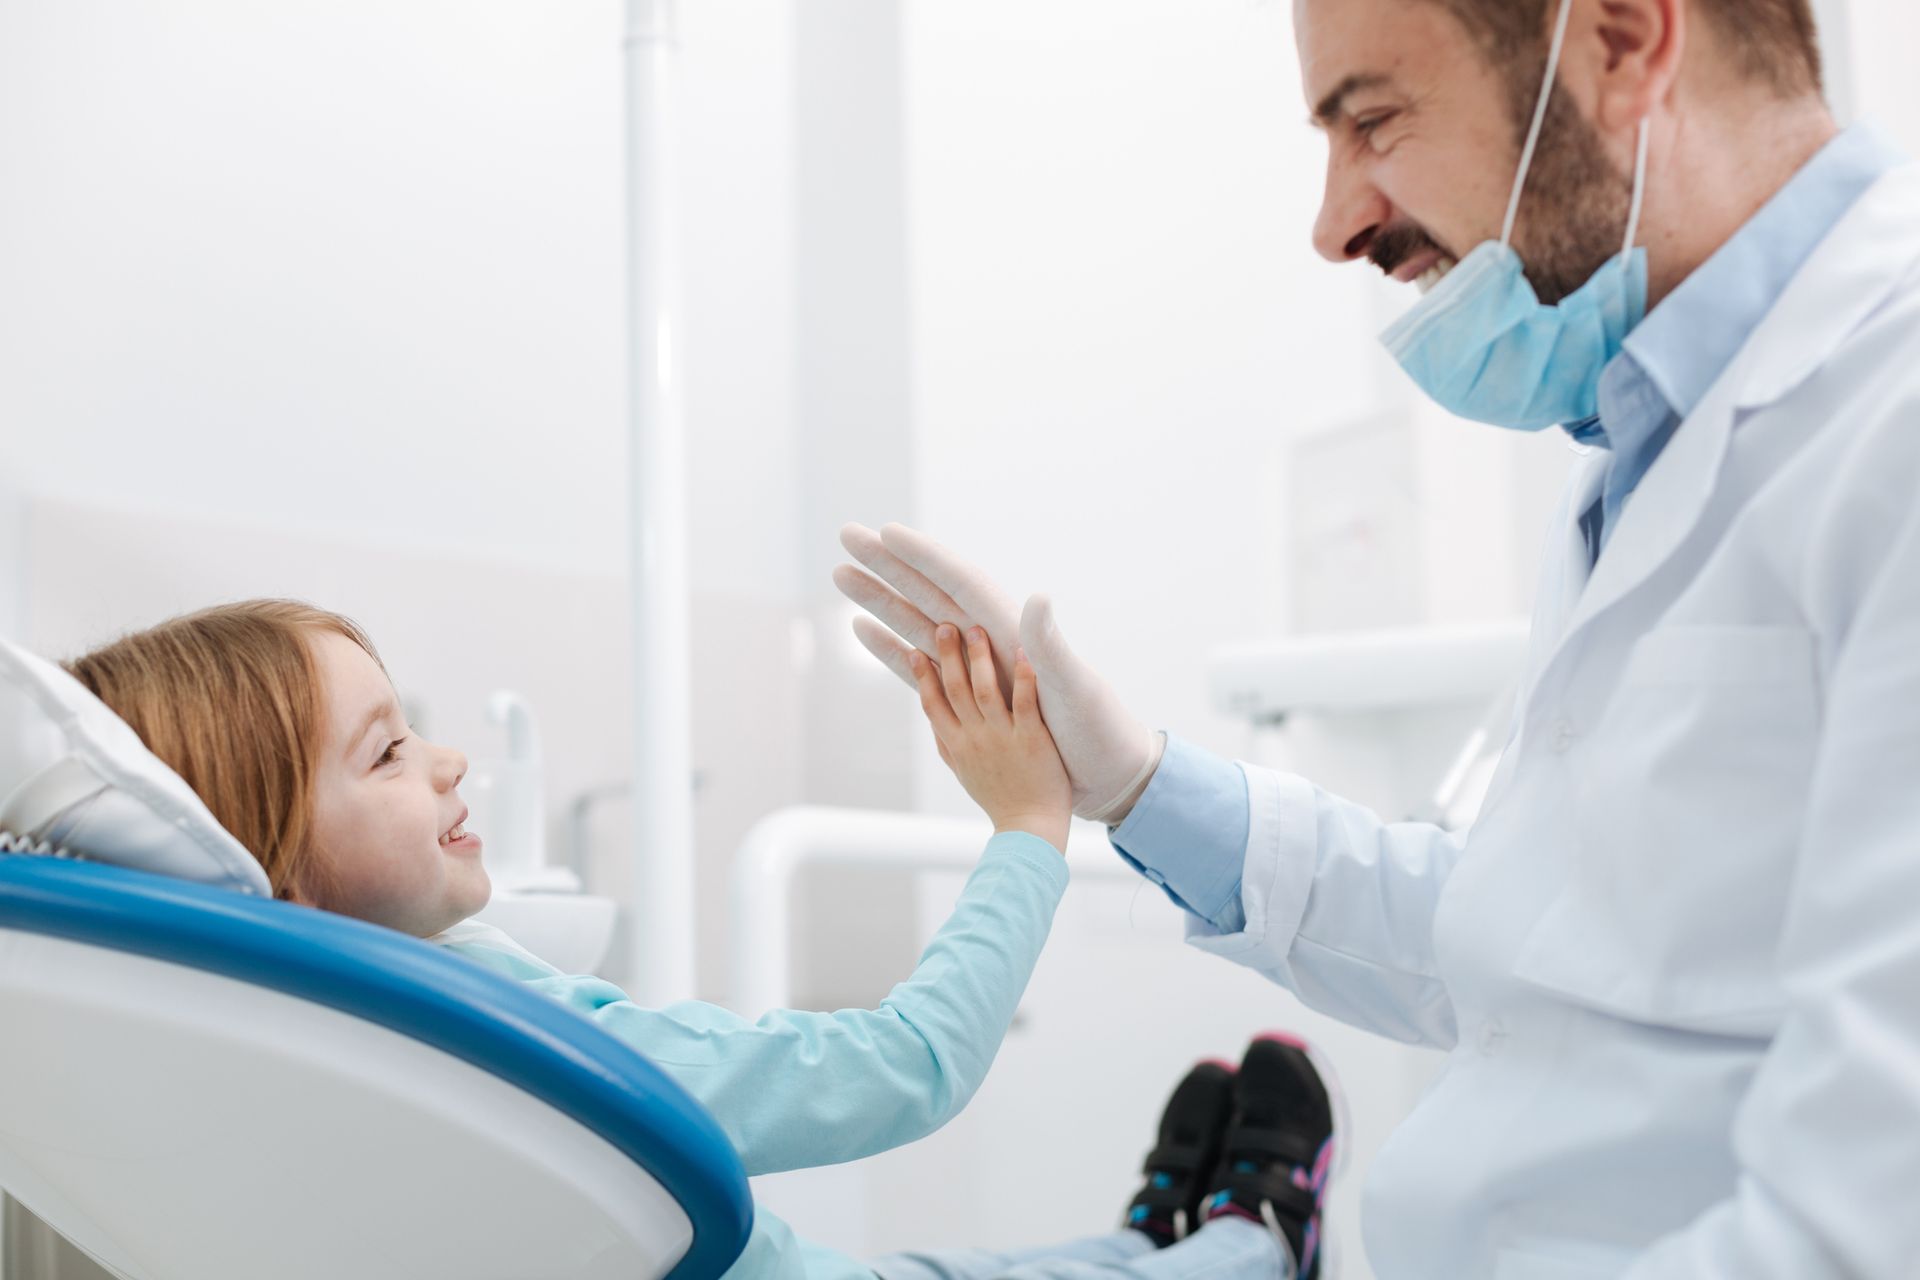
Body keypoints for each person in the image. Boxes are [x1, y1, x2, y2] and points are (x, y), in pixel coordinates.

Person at [835, 0, 1920, 1276]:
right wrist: (1133, 783)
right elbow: (1528, 929)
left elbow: (1865, 1220)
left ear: (1623, 45)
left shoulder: (1883, 418)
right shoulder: (1647, 443)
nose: (1334, 221)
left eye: (1374, 120)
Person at [63, 600, 1338, 1279]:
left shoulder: (291, 1067)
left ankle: (1149, 1228)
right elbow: (911, 1061)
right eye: (390, 749)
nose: (447, 760)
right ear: (280, 863)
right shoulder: (485, 1043)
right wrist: (1024, 826)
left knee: (986, 1263)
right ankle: (1256, 1239)